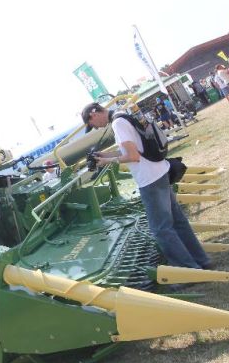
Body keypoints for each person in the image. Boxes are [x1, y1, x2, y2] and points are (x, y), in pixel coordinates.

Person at [81, 103, 213, 273]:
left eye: (92, 124)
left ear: (94, 114)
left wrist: (107, 161)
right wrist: (104, 155)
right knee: (178, 222)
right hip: (160, 170)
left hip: (149, 180)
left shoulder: (117, 124)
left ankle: (188, 269)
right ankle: (202, 260)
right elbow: (134, 148)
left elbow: (133, 156)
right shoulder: (123, 115)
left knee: (160, 229)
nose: (95, 127)